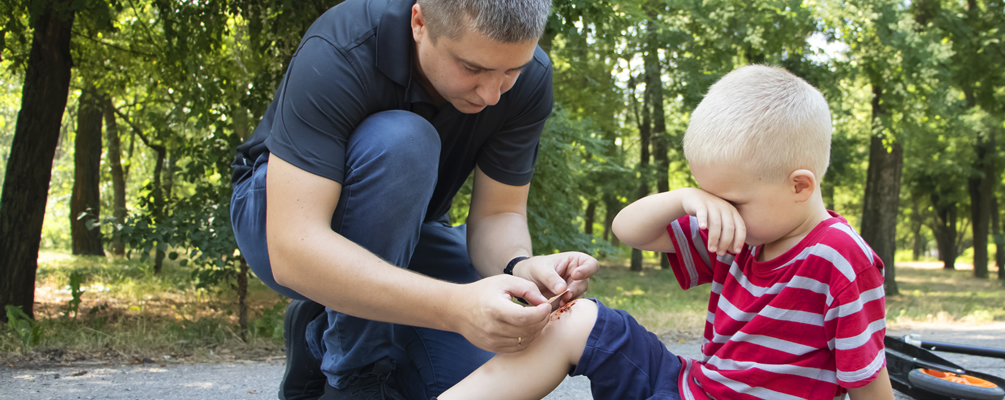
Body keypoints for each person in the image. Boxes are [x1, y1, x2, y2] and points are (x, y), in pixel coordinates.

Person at [436, 65, 895, 400]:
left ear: (799, 186)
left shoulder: (838, 257)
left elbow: (867, 380)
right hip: (686, 386)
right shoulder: (737, 233)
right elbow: (627, 230)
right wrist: (684, 199)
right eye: (707, 197)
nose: (716, 212)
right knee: (574, 319)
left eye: (728, 201)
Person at [228, 0, 598, 399]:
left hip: (415, 230)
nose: (492, 95)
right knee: (404, 141)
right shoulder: (343, 47)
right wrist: (456, 307)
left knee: (474, 384)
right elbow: (292, 247)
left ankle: (320, 325)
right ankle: (355, 374)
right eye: (471, 68)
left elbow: (499, 213)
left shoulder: (530, 79)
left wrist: (520, 266)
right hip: (277, 216)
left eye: (511, 71)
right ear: (420, 22)